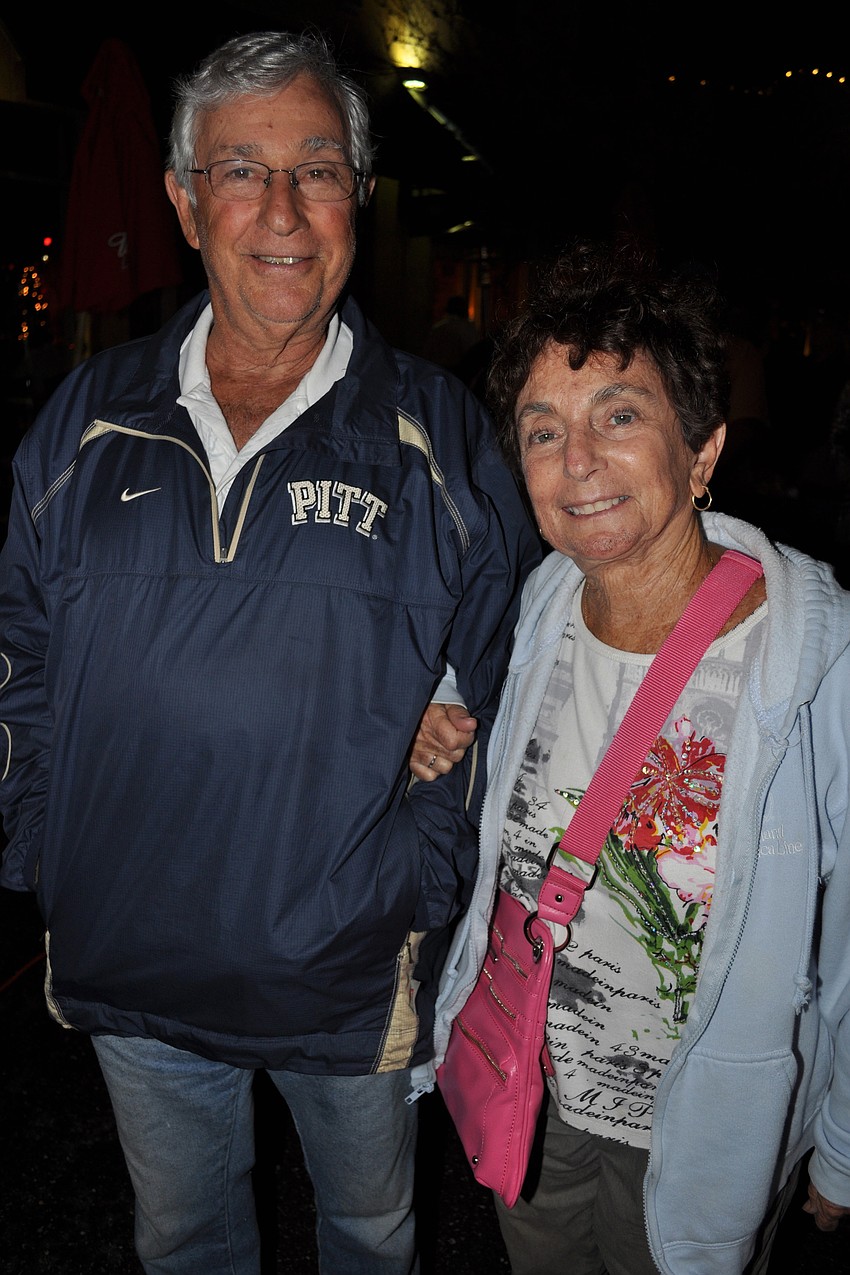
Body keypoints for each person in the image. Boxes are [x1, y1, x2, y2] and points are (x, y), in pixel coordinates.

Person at [0, 30, 541, 1275]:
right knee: (185, 1240)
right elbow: (17, 653)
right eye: (242, 170)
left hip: (343, 968)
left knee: (369, 1237)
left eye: (319, 169)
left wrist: (420, 870)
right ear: (186, 202)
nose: (283, 210)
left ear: (357, 195)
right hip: (129, 954)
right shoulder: (84, 423)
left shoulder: (438, 440)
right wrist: (45, 850)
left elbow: (512, 683)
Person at [425, 238, 850, 1274]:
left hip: (699, 1130)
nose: (576, 459)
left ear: (702, 452)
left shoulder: (812, 663)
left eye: (618, 415)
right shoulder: (538, 609)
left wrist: (841, 1144)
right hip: (533, 1088)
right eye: (543, 430)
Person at [422, 294, 480, 373]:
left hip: (438, 371)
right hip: (457, 372)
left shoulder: (438, 328)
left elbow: (427, 353)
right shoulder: (467, 329)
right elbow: (473, 354)